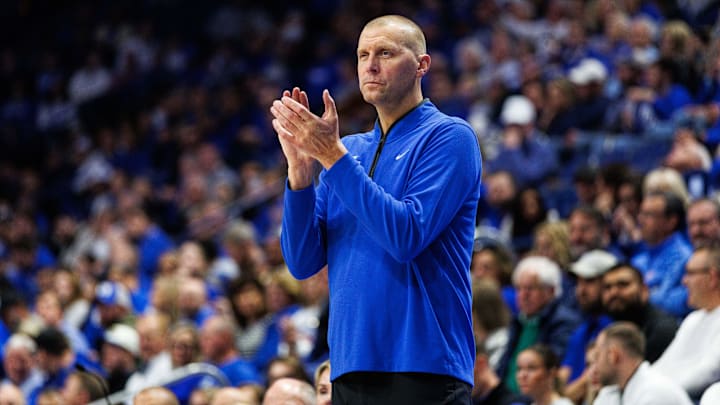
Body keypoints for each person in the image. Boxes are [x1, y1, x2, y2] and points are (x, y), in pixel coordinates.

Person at [270, 14, 481, 404]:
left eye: (385, 52)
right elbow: (301, 262)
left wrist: (331, 156)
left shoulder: (450, 137)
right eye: (362, 54)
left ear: (422, 65)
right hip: (350, 366)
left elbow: (405, 237)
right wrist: (300, 174)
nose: (370, 64)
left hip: (424, 366)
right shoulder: (350, 151)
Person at [497, 256, 580, 394]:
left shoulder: (563, 322)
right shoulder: (518, 321)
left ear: (551, 291)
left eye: (530, 289)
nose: (523, 295)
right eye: (519, 288)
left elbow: (551, 365)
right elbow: (505, 365)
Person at [652, 246, 720, 400]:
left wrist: (659, 393)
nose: (684, 281)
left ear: (712, 277)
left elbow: (709, 373)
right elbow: (664, 364)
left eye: (690, 273)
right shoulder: (692, 319)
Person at [558, 250, 616, 402]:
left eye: (589, 281)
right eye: (579, 281)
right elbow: (563, 375)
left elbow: (586, 384)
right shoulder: (582, 330)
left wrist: (557, 399)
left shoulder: (614, 330)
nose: (581, 290)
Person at [591, 322, 692, 405]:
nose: (593, 368)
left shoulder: (656, 393)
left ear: (613, 356)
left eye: (597, 357)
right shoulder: (610, 393)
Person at [631, 190, 693, 317]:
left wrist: (637, 298)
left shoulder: (685, 258)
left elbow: (682, 302)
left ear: (671, 221)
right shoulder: (638, 259)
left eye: (649, 215)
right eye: (641, 213)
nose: (640, 220)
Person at [600, 263, 677, 362]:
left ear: (644, 290)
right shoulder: (608, 327)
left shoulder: (662, 330)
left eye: (623, 285)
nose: (613, 292)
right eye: (607, 287)